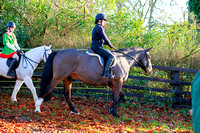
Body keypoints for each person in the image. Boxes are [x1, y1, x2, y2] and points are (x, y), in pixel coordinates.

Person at [91, 13, 115, 79]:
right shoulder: (99, 28)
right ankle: (106, 73)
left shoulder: (95, 28)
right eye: (103, 20)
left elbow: (98, 40)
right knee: (111, 56)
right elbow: (105, 38)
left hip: (95, 46)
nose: (104, 22)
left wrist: (106, 43)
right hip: (97, 48)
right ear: (99, 20)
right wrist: (110, 44)